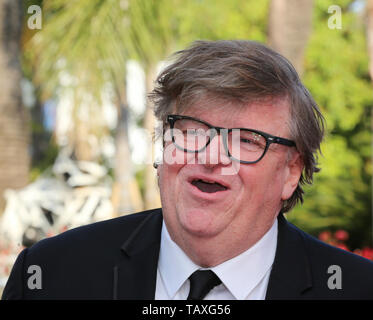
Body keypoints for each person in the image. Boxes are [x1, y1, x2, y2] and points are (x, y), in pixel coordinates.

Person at [2, 40, 373, 300]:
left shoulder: (355, 290)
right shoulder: (52, 275)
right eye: (192, 131)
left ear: (291, 173)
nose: (211, 156)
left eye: (246, 140)